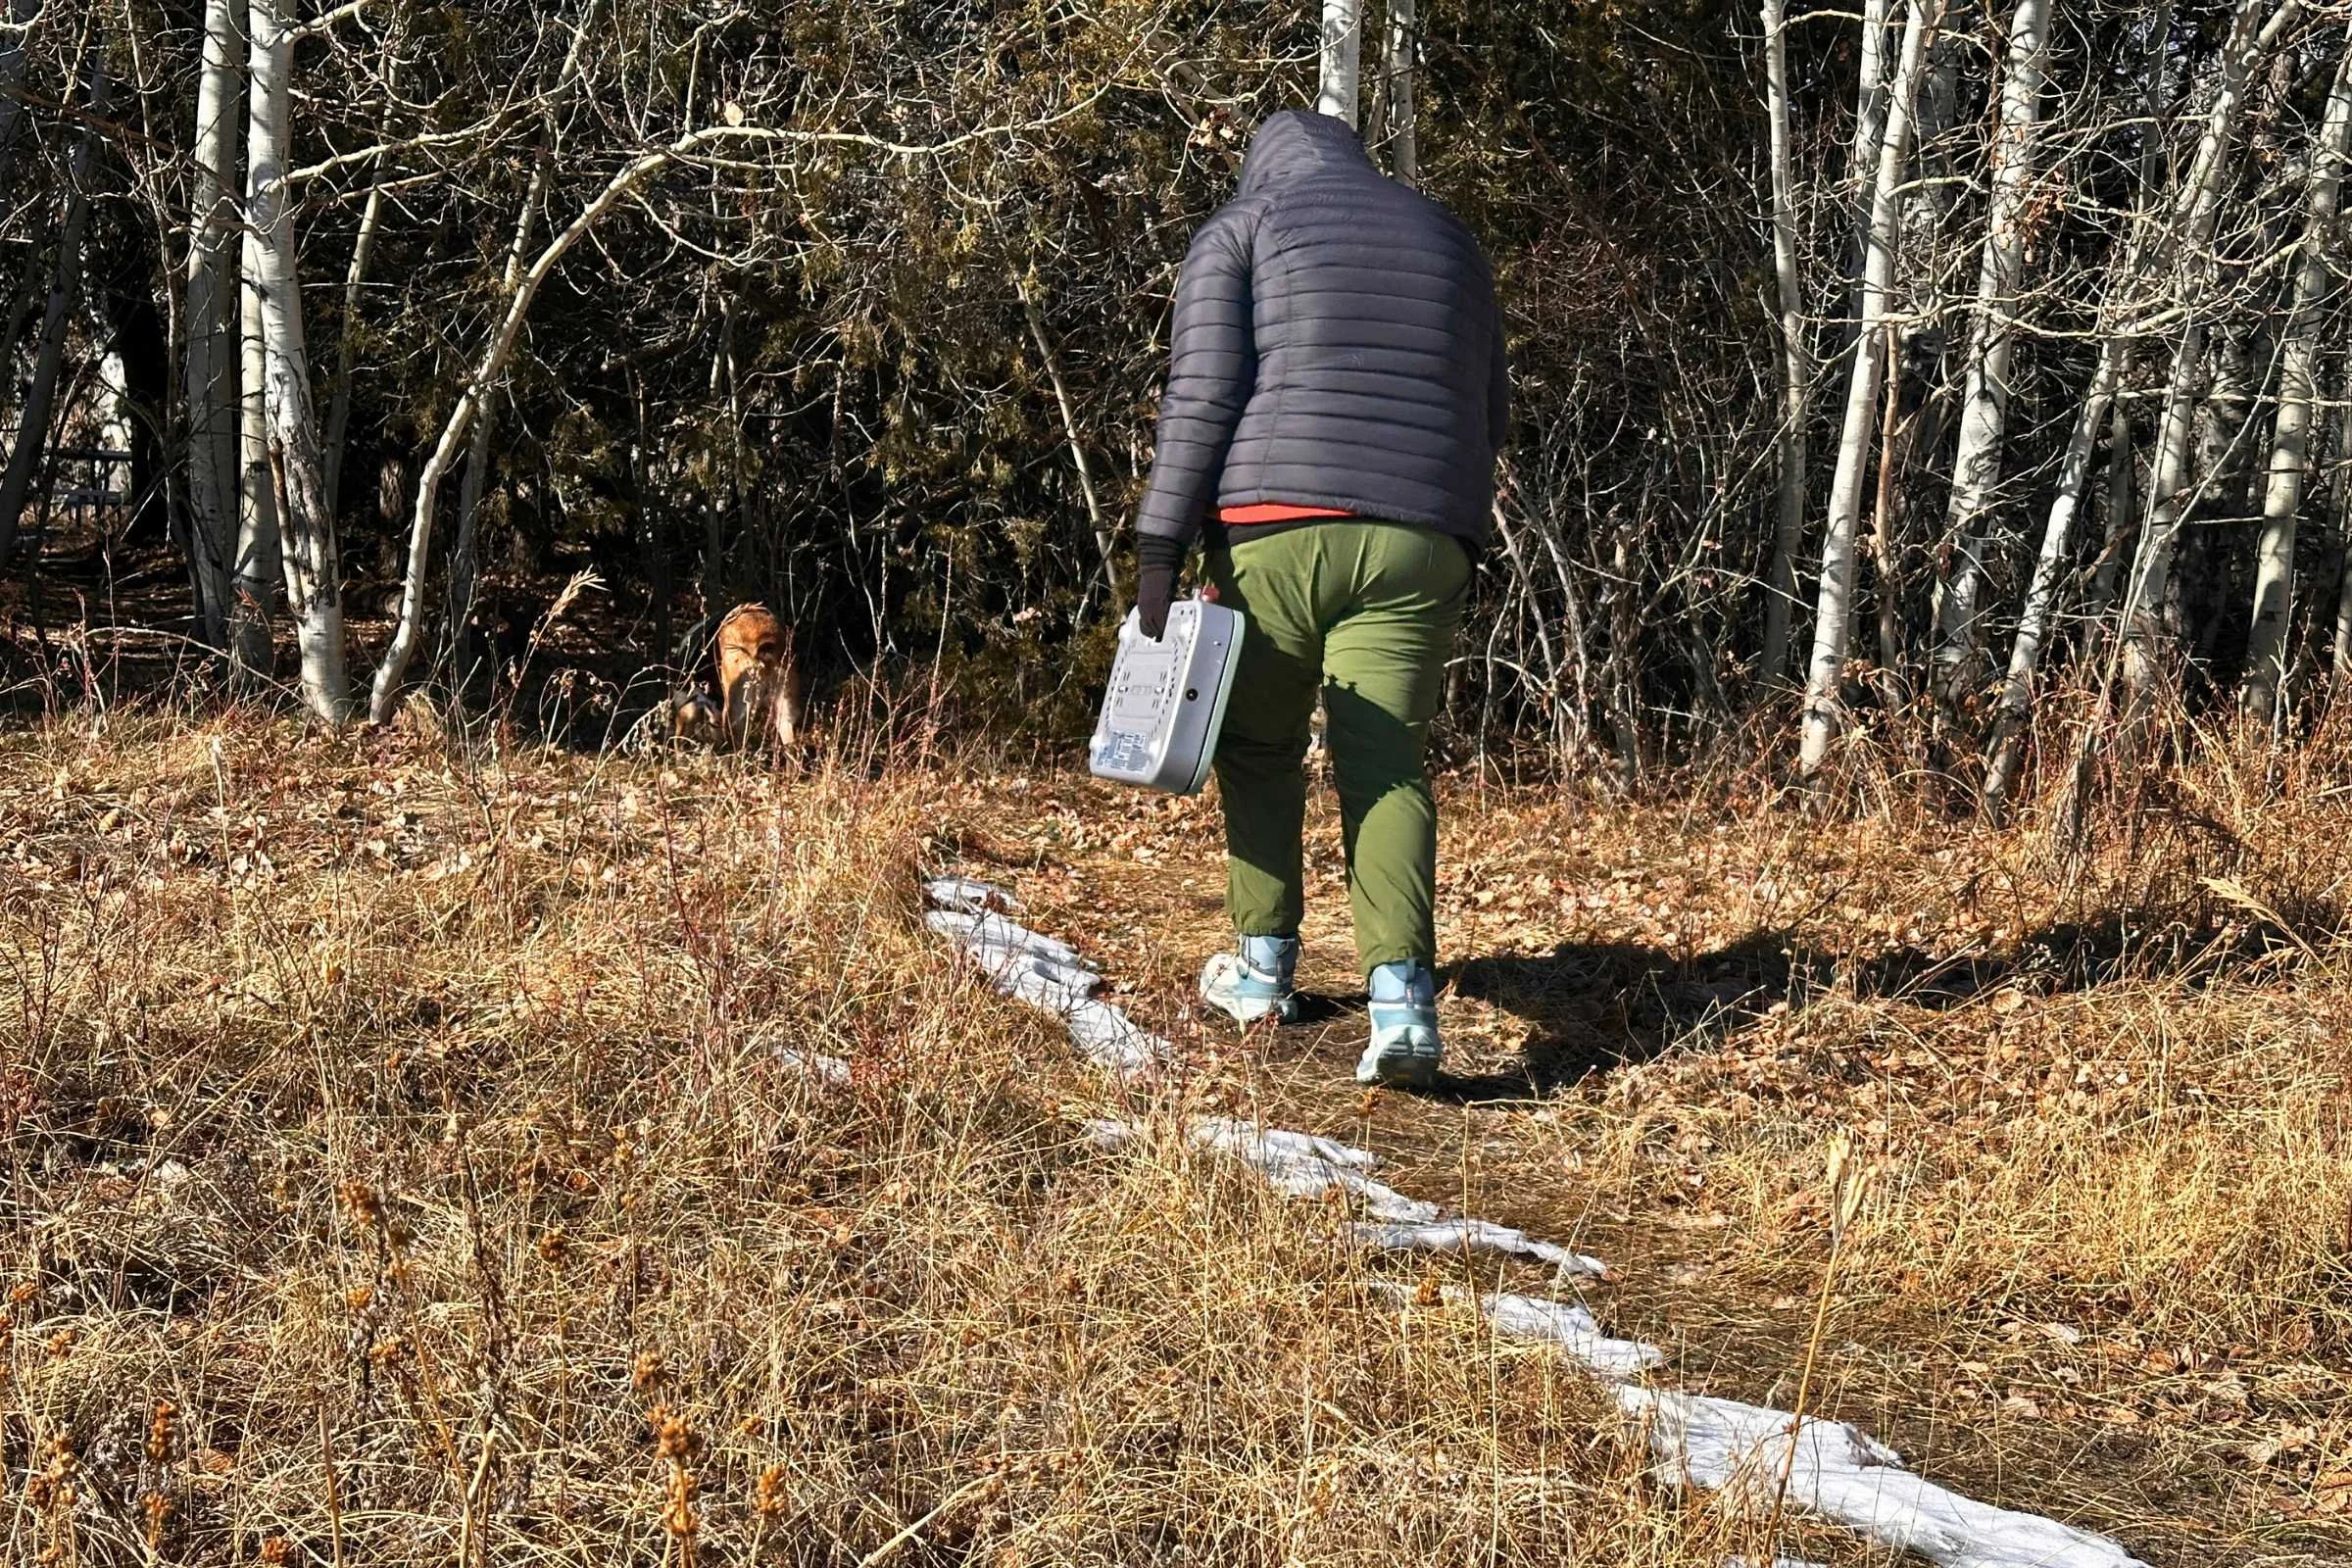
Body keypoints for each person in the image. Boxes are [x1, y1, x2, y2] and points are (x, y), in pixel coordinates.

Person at [1129, 108, 1508, 1088]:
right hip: (1422, 532)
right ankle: (1402, 1003)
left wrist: (1161, 545)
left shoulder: (1246, 225)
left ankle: (1262, 972)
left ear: (1262, 165)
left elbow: (1203, 393)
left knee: (1259, 747)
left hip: (1275, 526)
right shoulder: (1449, 237)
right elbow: (1489, 408)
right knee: (1386, 762)